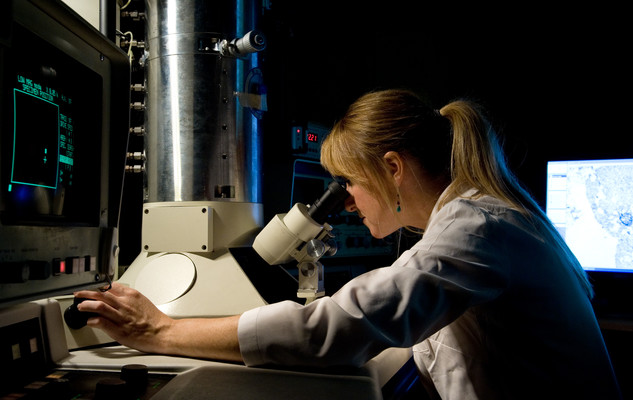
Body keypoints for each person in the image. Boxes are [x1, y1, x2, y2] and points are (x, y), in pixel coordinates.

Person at [76, 89, 621, 399]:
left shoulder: (477, 227)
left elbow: (349, 323)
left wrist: (163, 331)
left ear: (392, 167)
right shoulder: (472, 220)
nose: (349, 202)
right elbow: (378, 308)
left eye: (349, 183)